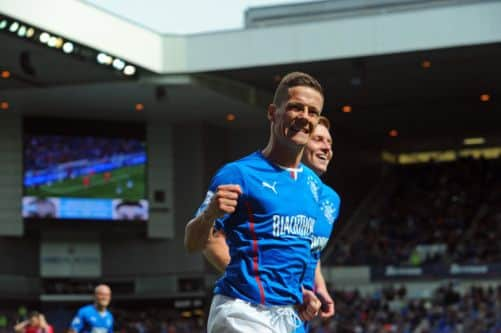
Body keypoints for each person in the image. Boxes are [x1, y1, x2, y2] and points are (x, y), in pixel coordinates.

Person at [185, 72, 326, 333]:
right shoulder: (238, 173)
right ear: (273, 112)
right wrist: (209, 215)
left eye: (312, 112)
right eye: (295, 107)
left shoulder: (313, 185)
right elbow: (193, 242)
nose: (304, 117)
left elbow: (290, 253)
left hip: (287, 315)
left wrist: (300, 292)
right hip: (241, 311)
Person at [202, 117, 341, 332]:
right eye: (318, 139)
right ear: (299, 142)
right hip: (253, 308)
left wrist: (319, 285)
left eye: (329, 142)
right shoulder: (253, 178)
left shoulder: (331, 199)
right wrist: (259, 285)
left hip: (296, 314)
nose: (326, 147)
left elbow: (310, 248)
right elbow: (210, 239)